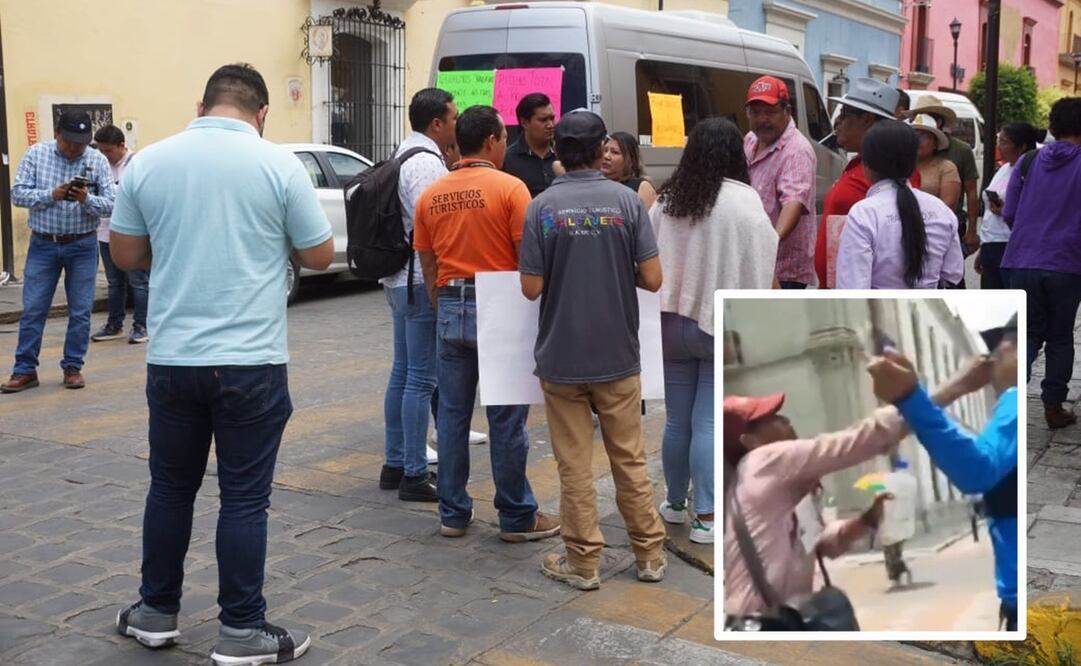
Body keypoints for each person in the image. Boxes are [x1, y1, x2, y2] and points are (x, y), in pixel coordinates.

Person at [109, 63, 334, 663]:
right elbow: (319, 254)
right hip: (251, 362)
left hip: (175, 357)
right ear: (262, 112)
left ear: (203, 104)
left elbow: (127, 252)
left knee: (170, 488)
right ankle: (241, 631)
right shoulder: (278, 163)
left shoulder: (149, 161)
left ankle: (155, 612)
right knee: (242, 499)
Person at [519, 109, 666, 590]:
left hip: (561, 357)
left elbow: (531, 287)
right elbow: (653, 278)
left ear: (558, 149)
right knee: (630, 457)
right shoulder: (627, 203)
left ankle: (583, 563)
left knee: (574, 465)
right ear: (601, 149)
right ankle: (649, 555)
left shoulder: (540, 208)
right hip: (618, 354)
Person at [413, 104, 560, 542]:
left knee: (453, 418)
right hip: (500, 308)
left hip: (451, 305)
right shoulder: (511, 189)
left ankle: (453, 513)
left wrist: (442, 301)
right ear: (494, 141)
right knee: (506, 420)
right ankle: (516, 516)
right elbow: (529, 255)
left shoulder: (433, 194)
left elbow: (427, 259)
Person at [649, 118, 777, 543]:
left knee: (676, 421)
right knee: (708, 422)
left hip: (670, 320)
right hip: (717, 324)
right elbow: (763, 257)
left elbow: (648, 254)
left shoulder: (669, 199)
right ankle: (706, 516)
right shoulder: (747, 203)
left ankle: (674, 503)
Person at [868, 315, 1020, 630]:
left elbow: (976, 470)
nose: (992, 362)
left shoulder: (1016, 403)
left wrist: (914, 397)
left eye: (1001, 351)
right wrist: (949, 390)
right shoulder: (1012, 405)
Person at [721, 393, 898, 623]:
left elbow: (822, 543)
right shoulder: (758, 464)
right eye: (771, 418)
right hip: (759, 623)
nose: (785, 420)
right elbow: (851, 444)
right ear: (750, 442)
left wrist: (866, 521)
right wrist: (912, 403)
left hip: (791, 618)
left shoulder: (789, 491)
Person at [378, 88, 456, 502]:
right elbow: (436, 226)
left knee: (403, 372)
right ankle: (412, 471)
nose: (456, 126)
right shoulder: (426, 165)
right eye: (453, 119)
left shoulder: (401, 153)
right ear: (437, 123)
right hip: (416, 280)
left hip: (396, 280)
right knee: (420, 379)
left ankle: (394, 463)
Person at [2, 110, 115, 393]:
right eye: (69, 142)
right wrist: (51, 195)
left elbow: (111, 204)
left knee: (80, 311)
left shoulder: (96, 159)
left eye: (81, 142)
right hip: (43, 244)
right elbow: (17, 194)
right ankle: (25, 370)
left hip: (83, 244)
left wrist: (86, 199)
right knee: (33, 310)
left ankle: (73, 367)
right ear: (57, 134)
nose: (76, 148)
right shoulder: (36, 154)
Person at [1001, 97, 1081, 429]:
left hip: (1021, 259)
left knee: (1028, 335)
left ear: (1052, 126)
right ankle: (1053, 407)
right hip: (1067, 263)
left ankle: (1003, 403)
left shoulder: (1029, 161)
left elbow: (1009, 213)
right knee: (1061, 336)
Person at [814, 78, 920, 288]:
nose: (838, 122)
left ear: (867, 119)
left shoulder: (893, 173)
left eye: (844, 114)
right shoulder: (858, 163)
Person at [836, 120, 963, 289]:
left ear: (866, 164)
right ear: (913, 162)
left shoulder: (864, 213)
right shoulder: (941, 210)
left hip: (880, 313)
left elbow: (852, 288)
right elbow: (952, 274)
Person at [743, 76, 816, 289]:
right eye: (755, 113)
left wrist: (770, 242)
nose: (762, 119)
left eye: (770, 112)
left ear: (787, 111)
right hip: (755, 263)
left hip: (784, 271)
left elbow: (793, 203)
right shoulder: (750, 140)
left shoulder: (797, 151)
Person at [90, 124, 148, 345]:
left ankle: (142, 325)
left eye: (108, 151)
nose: (104, 155)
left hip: (132, 233)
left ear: (121, 146)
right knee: (115, 282)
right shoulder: (99, 166)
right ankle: (114, 324)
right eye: (101, 151)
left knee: (138, 282)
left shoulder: (137, 164)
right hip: (105, 231)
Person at [909, 95, 980, 258]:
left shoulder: (960, 150)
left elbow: (971, 192)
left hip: (944, 224)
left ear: (939, 121)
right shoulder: (907, 158)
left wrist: (972, 230)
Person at [975, 123, 1040, 289]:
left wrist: (1006, 211)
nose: (999, 147)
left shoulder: (1030, 170)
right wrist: (983, 248)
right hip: (991, 243)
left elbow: (1034, 210)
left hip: (1010, 243)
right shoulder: (1004, 168)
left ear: (1021, 146)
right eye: (999, 141)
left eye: (1004, 142)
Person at [501, 92, 556, 198]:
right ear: (525, 123)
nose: (550, 125)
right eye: (543, 120)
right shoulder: (507, 159)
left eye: (552, 118)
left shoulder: (565, 154)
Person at [879, 457, 918, 588]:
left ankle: (899, 576)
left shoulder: (889, 481)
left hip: (891, 521)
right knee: (896, 552)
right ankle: (900, 576)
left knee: (890, 552)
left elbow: (883, 497)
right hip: (905, 521)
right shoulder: (911, 481)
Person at [911, 114, 961, 210]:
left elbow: (947, 207)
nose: (917, 140)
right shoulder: (901, 166)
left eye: (924, 136)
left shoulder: (946, 168)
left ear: (935, 143)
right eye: (914, 135)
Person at [601, 131, 657, 209]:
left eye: (615, 152)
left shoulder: (642, 187)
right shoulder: (597, 183)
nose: (606, 156)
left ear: (630, 159)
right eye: (605, 150)